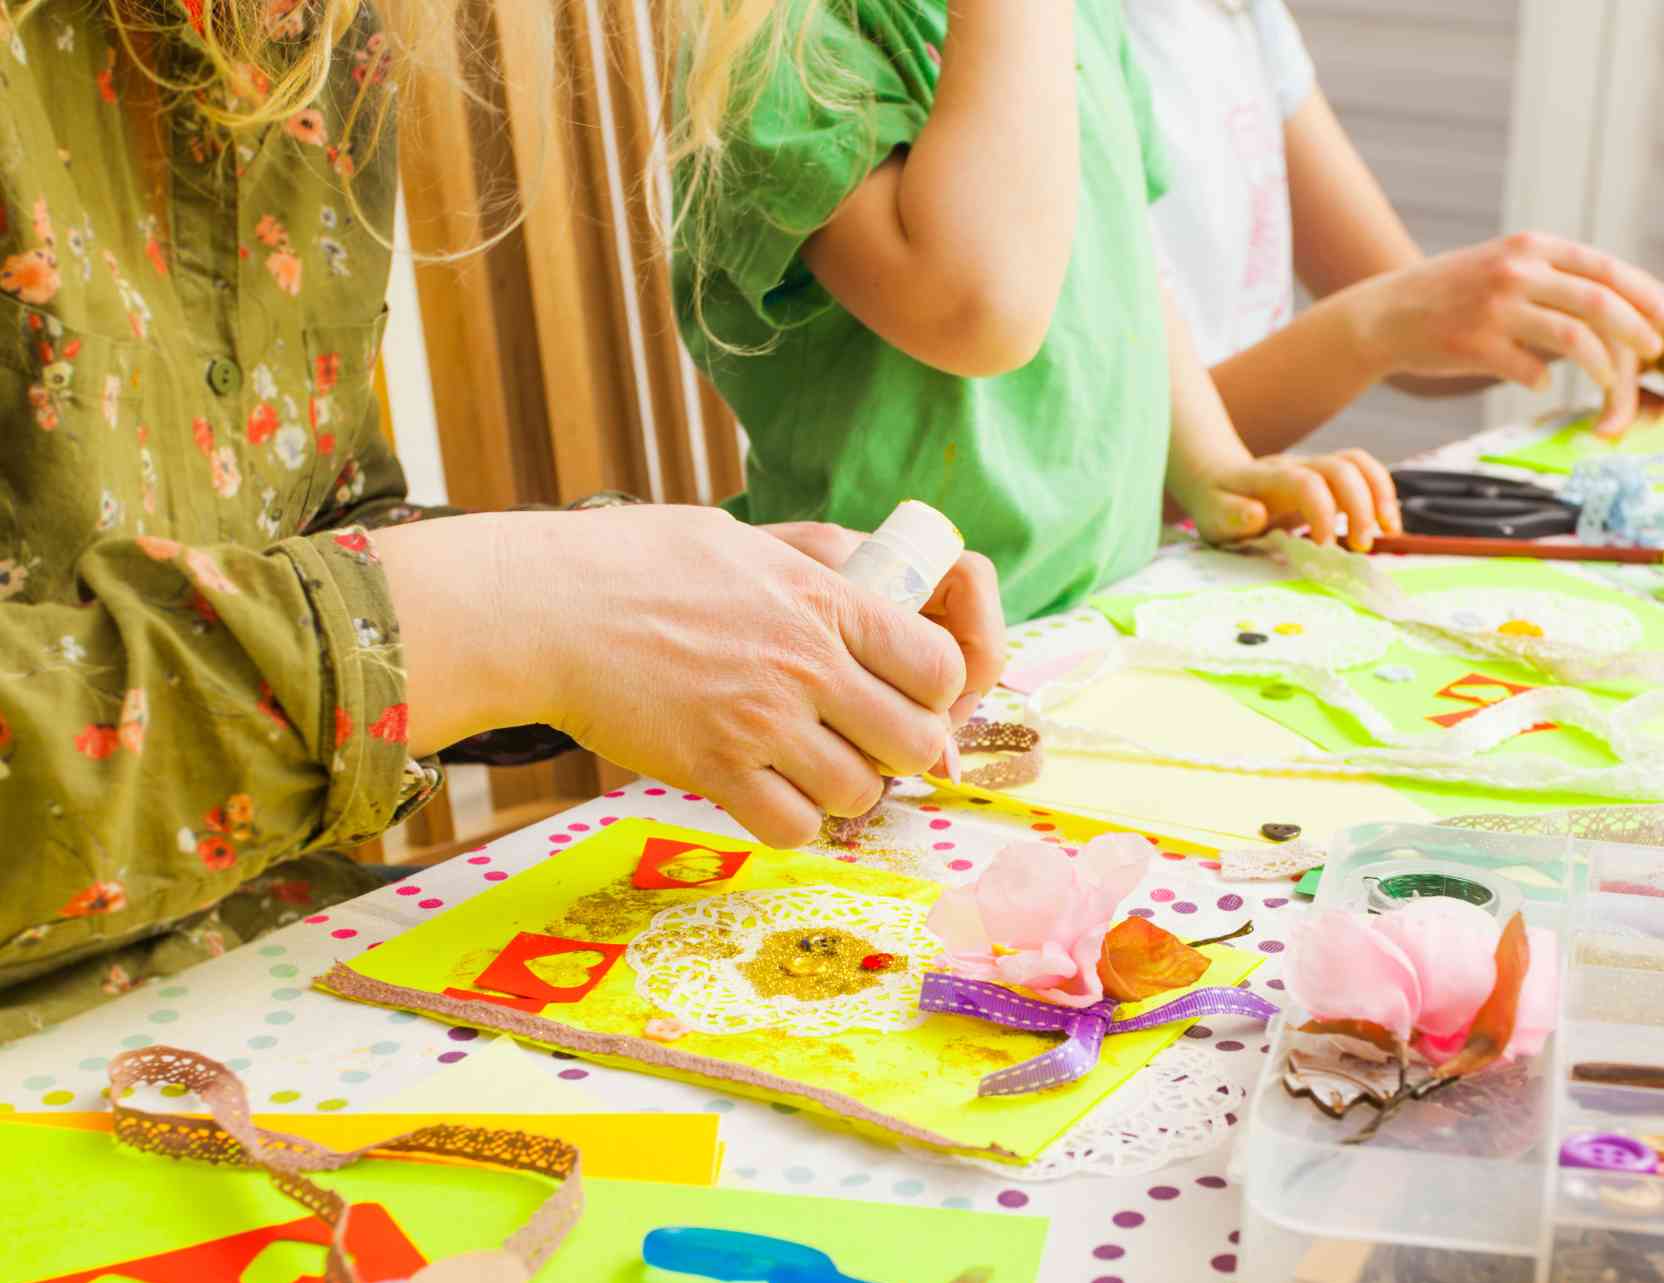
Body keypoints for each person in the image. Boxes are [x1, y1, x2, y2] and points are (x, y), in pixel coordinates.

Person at [0, 0, 1003, 1042]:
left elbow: (307, 528)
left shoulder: (306, 38)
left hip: (272, 975)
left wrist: (637, 599)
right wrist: (507, 616)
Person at [668, 0, 1401, 627]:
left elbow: (1121, 253)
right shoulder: (781, 40)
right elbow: (975, 313)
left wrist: (1215, 463)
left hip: (1105, 613)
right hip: (891, 654)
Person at [1124, 0, 1664, 454]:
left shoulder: (1240, 14)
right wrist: (1373, 327)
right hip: (1104, 566)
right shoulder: (1064, 35)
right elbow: (1102, 465)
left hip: (1212, 548)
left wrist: (1581, 309)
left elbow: (1418, 326)